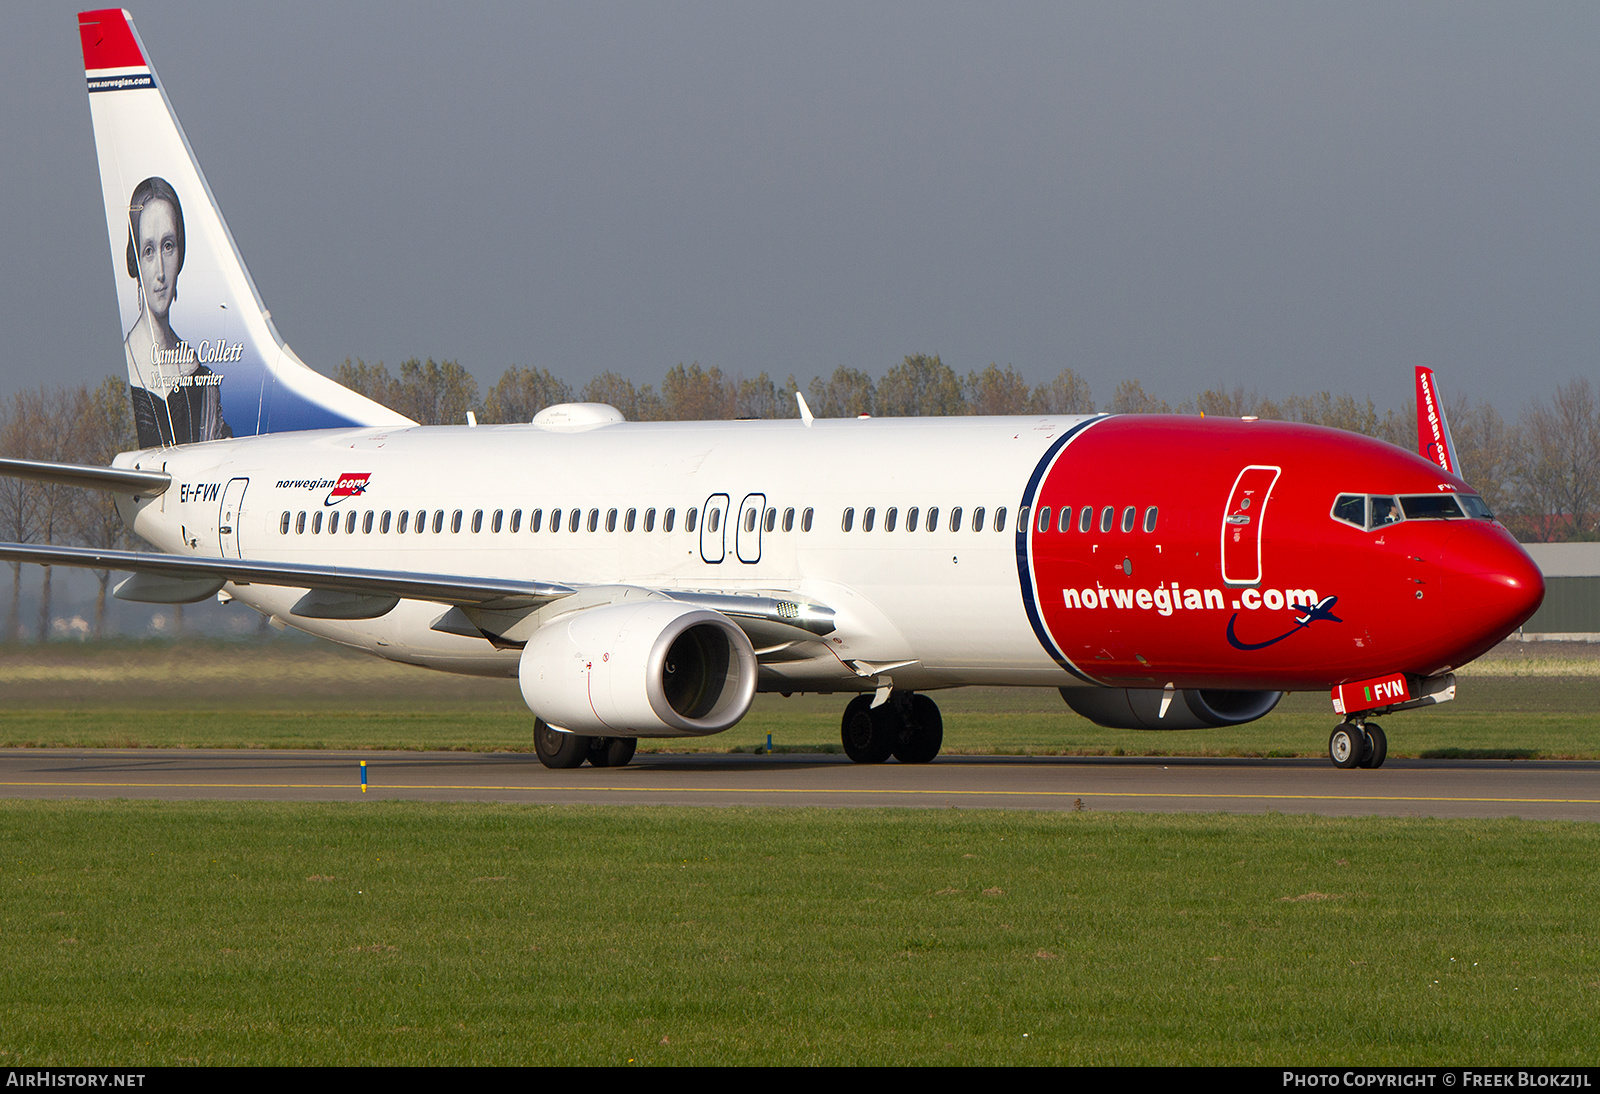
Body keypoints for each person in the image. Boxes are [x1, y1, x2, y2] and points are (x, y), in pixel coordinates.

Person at [123, 176, 230, 446]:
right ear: (135, 261)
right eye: (148, 251)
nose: (160, 272)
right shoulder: (127, 369)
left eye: (168, 246)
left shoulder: (201, 377)